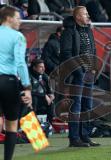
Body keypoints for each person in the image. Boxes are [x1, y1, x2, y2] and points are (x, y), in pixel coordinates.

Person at [60, 6, 100, 147]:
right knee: (76, 106)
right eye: (85, 14)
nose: (88, 16)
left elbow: (93, 50)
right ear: (77, 16)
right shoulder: (69, 31)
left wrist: (94, 67)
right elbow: (66, 54)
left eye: (88, 13)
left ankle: (85, 136)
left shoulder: (88, 30)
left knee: (87, 106)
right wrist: (79, 70)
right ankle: (74, 138)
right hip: (77, 75)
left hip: (89, 73)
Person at [0, 6, 32, 160]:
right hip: (8, 82)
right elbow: (20, 63)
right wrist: (27, 87)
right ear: (8, 18)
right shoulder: (18, 36)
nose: (20, 20)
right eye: (18, 17)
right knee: (11, 125)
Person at [30, 59, 54, 124]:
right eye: (41, 67)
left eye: (43, 67)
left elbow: (49, 84)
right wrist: (44, 95)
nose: (43, 69)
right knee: (34, 99)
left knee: (51, 103)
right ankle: (34, 124)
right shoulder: (29, 75)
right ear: (34, 68)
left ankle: (49, 125)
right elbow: (32, 90)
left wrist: (51, 94)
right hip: (31, 98)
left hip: (41, 97)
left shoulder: (44, 75)